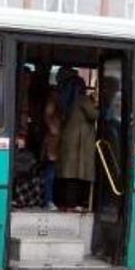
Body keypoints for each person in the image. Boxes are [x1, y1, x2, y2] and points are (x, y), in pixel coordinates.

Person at [57, 79, 97, 210]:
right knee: (77, 175)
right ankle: (76, 204)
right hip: (80, 144)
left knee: (68, 175)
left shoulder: (66, 100)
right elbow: (94, 115)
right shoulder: (82, 100)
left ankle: (65, 202)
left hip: (69, 142)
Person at [42, 96, 62, 210]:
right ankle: (48, 200)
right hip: (53, 142)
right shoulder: (54, 99)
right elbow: (47, 115)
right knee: (51, 173)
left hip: (55, 141)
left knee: (52, 172)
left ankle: (49, 199)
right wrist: (53, 128)